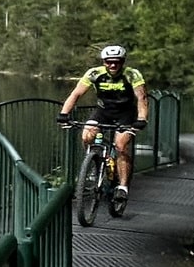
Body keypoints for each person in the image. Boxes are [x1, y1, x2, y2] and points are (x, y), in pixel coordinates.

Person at [58, 44, 149, 199]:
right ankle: (95, 161)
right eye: (108, 62)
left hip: (126, 114)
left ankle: (123, 187)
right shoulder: (94, 73)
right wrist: (64, 114)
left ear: (122, 62)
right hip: (103, 112)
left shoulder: (132, 74)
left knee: (121, 146)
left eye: (117, 62)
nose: (113, 65)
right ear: (103, 62)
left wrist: (141, 119)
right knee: (87, 136)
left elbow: (142, 98)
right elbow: (76, 94)